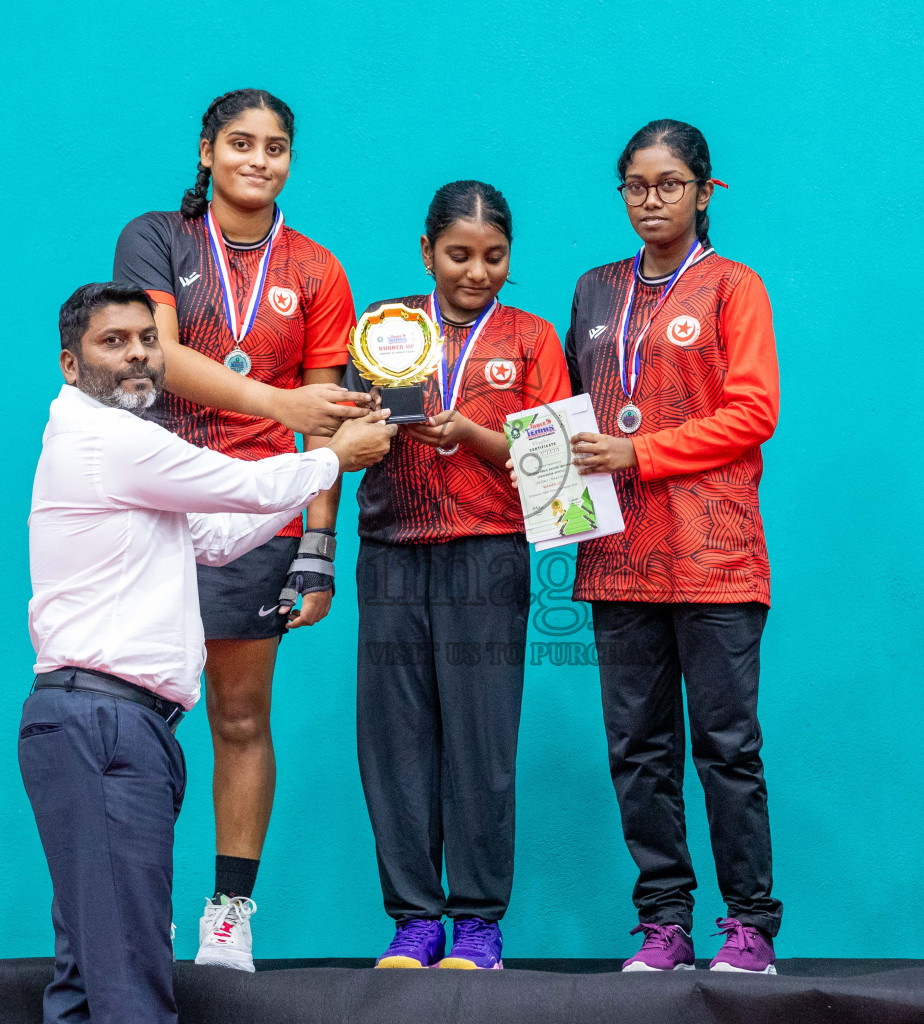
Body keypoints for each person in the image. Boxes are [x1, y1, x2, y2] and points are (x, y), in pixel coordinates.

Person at [20, 283, 393, 1023]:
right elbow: (239, 486)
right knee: (127, 979)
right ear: (70, 364)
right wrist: (331, 458)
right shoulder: (109, 439)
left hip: (109, 723)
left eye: (146, 339)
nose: (137, 355)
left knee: (89, 974)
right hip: (104, 726)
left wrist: (305, 482)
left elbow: (216, 535)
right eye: (112, 341)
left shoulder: (110, 451)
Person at [112, 88, 368, 967]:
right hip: (159, 498)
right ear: (206, 151)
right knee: (141, 715)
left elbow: (327, 423)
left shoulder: (317, 269)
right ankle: (142, 909)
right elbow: (163, 357)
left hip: (258, 514)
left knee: (240, 716)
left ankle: (229, 911)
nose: (259, 160)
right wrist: (277, 399)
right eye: (242, 144)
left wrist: (319, 548)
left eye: (276, 147)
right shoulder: (158, 237)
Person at [558, 120, 782, 973]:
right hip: (616, 559)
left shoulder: (734, 287)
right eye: (636, 186)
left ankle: (750, 926)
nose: (652, 200)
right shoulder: (592, 290)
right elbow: (569, 415)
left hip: (716, 557)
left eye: (669, 184)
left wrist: (639, 452)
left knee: (726, 748)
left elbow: (753, 411)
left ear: (704, 191)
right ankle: (664, 924)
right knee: (638, 752)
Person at [344, 181, 570, 970]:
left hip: (489, 553)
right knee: (395, 742)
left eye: (495, 257)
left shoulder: (534, 338)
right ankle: (413, 920)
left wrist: (473, 434)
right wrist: (370, 425)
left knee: (481, 743)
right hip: (393, 552)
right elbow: (342, 435)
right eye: (459, 255)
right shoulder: (382, 330)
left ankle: (476, 923)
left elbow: (558, 473)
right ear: (426, 252)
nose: (477, 272)